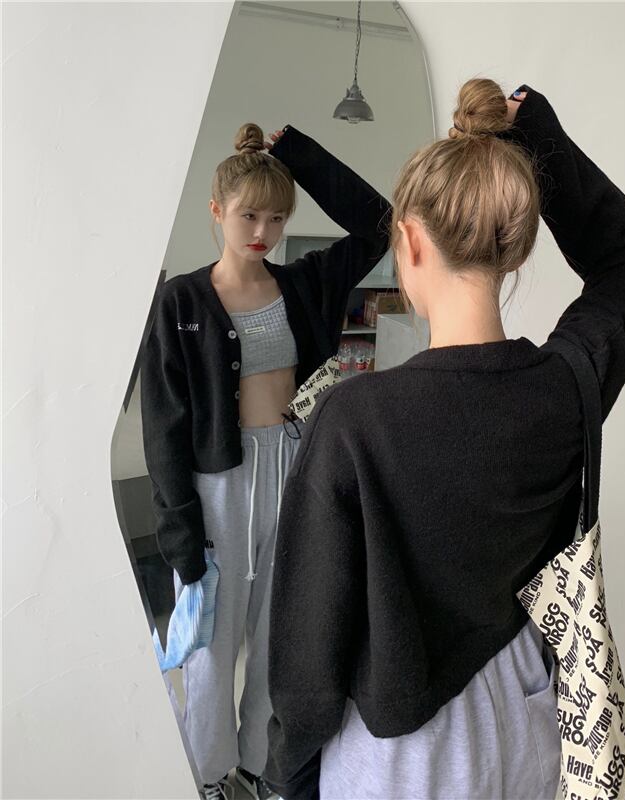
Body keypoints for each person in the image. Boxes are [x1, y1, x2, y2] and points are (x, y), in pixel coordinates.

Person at [262, 78, 625, 800]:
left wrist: (287, 778)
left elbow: (307, 664)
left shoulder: (353, 421)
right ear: (512, 250)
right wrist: (533, 128)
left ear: (411, 241)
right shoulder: (565, 386)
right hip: (531, 721)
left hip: (402, 758)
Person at [140, 121, 391, 800]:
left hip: (296, 469)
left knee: (281, 630)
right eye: (248, 215)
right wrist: (178, 528)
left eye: (277, 217)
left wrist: (297, 154)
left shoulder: (303, 284)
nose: (263, 231)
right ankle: (205, 774)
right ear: (216, 209)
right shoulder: (182, 300)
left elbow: (380, 223)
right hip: (217, 482)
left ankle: (258, 765)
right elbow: (164, 424)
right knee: (211, 641)